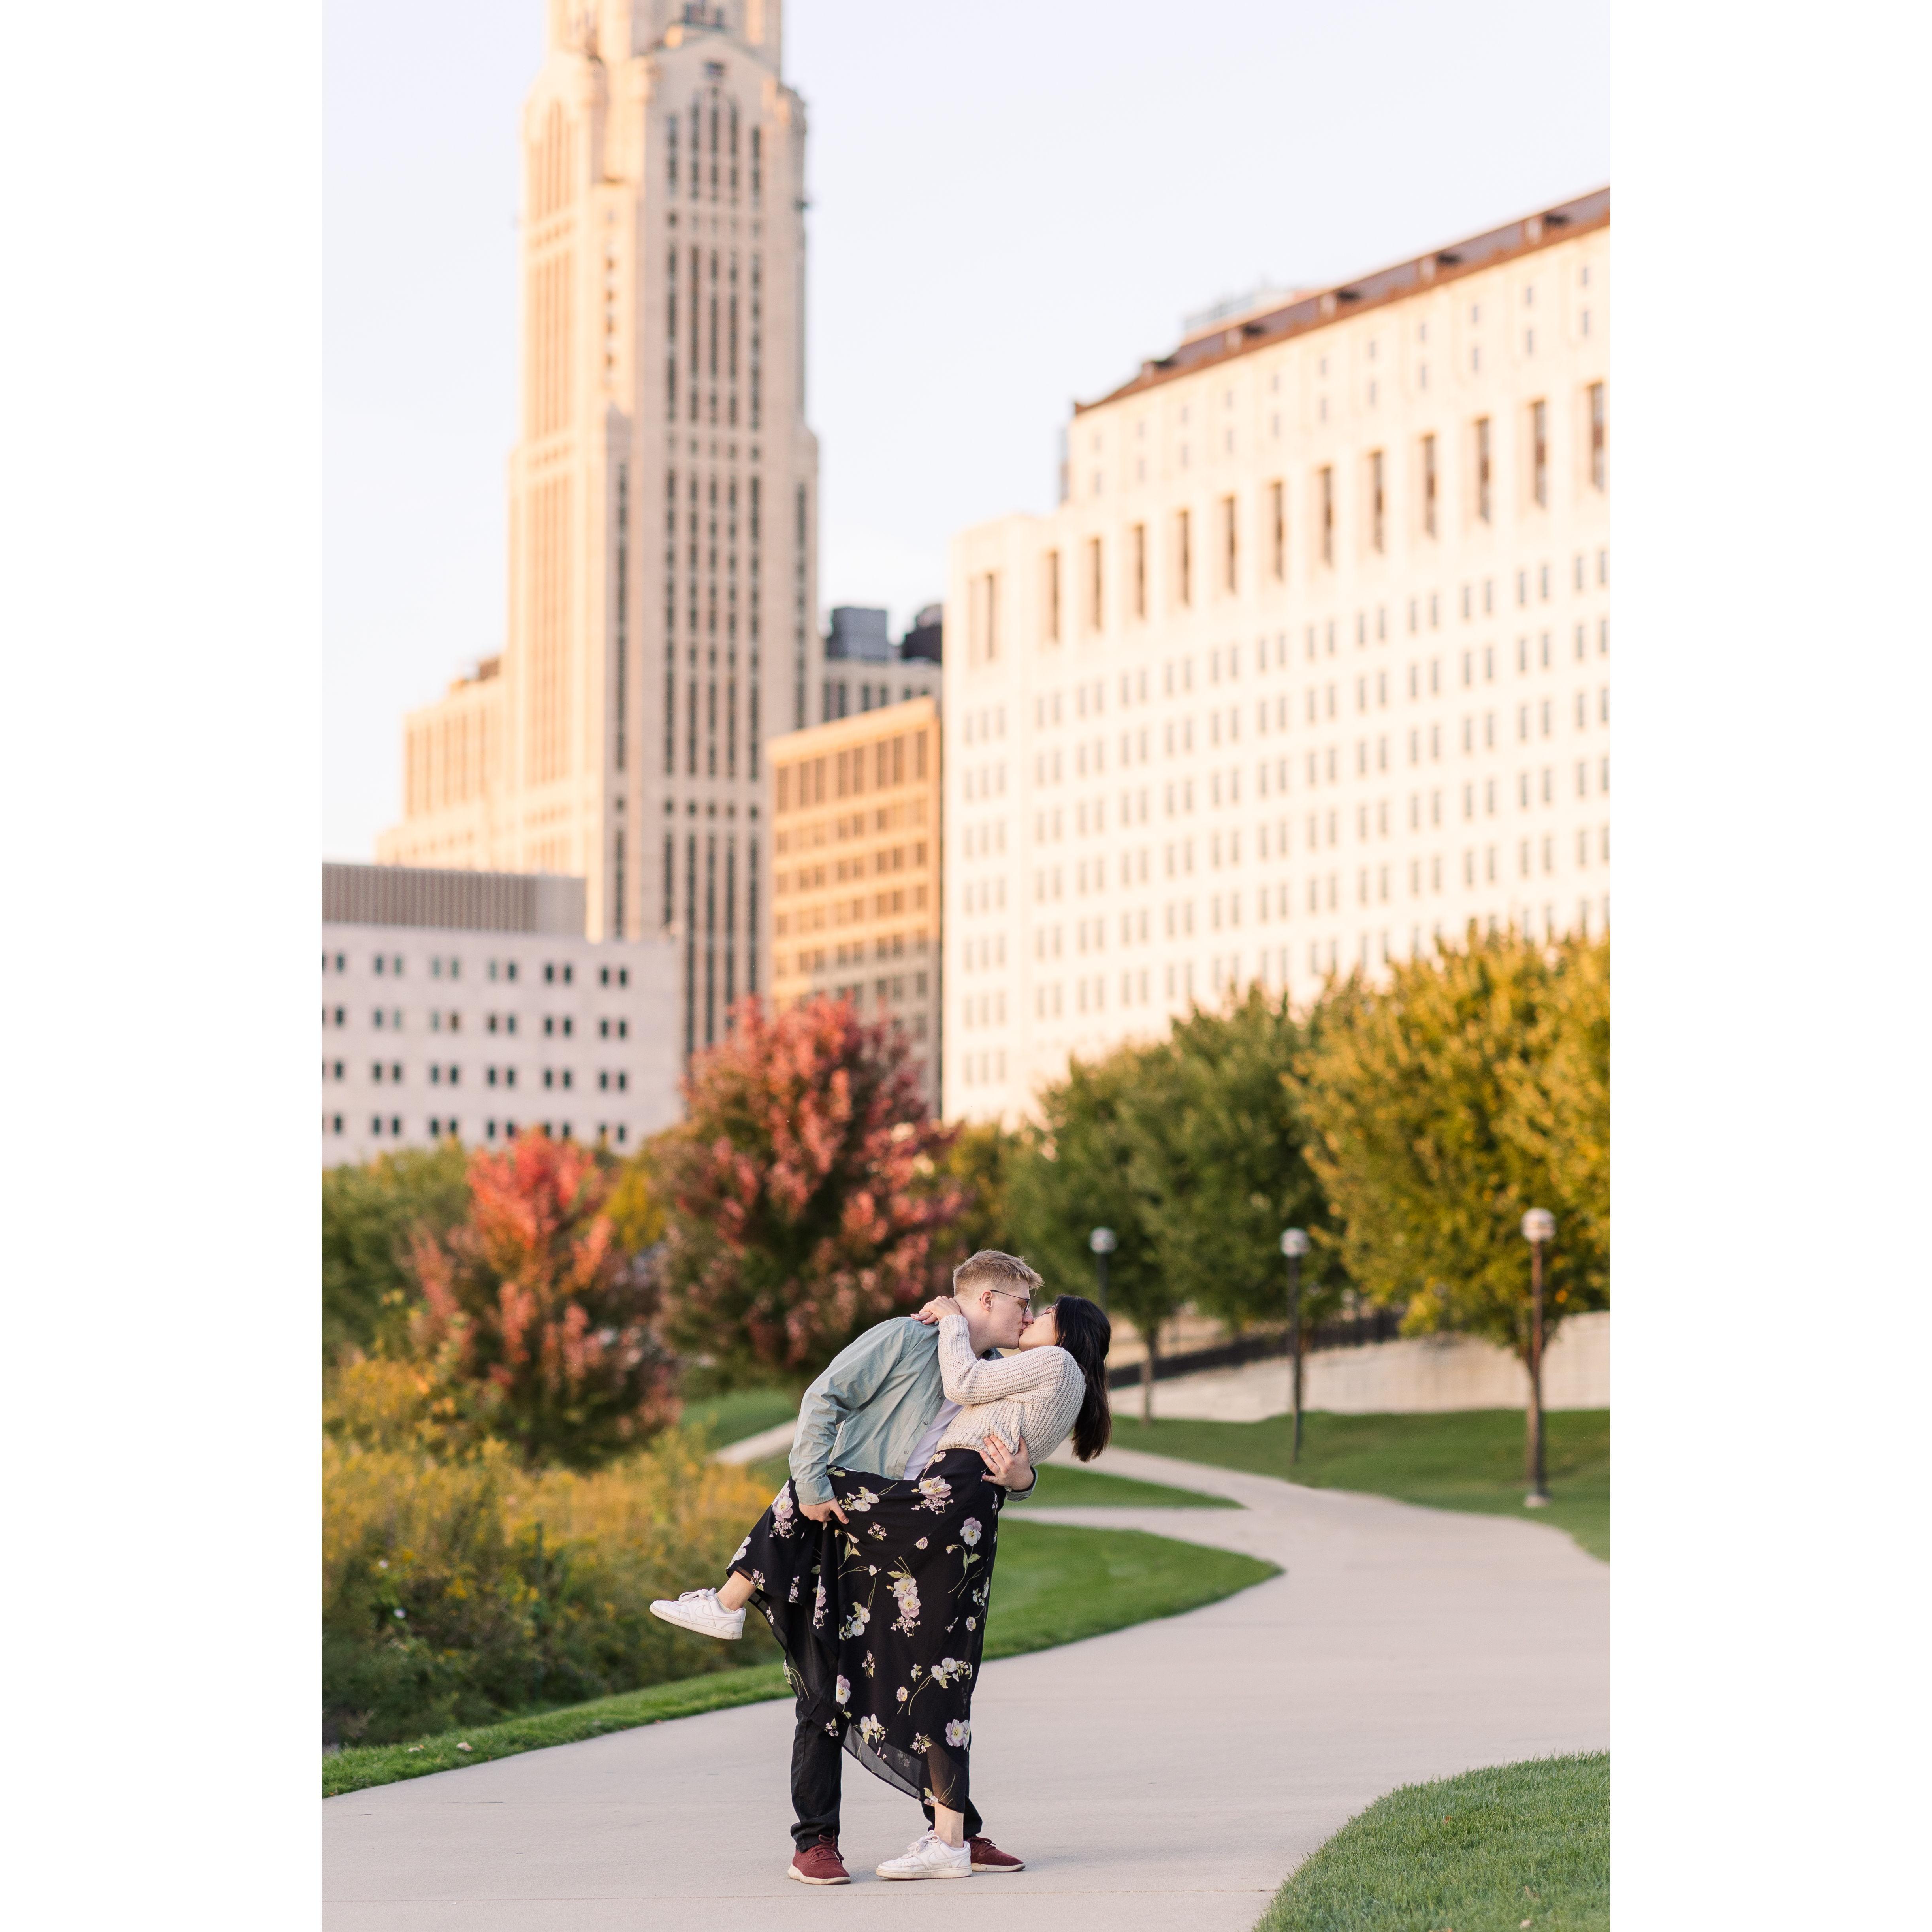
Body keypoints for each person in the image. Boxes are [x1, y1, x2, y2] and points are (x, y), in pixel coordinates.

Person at [650, 1250, 1113, 1885]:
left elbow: (995, 1422)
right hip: (855, 1520)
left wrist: (1021, 1475)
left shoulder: (1008, 1365)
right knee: (841, 1678)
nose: (1030, 1315)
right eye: (1023, 1304)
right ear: (988, 1299)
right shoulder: (909, 1337)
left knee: (931, 1669)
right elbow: (824, 1397)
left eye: (1041, 1311)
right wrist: (813, 1486)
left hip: (915, 1516)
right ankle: (825, 1840)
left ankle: (727, 1602)